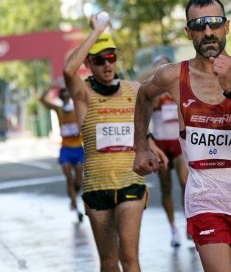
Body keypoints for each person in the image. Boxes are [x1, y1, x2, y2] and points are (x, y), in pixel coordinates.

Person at [133, 0, 231, 271]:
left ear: (227, 27)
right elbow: (143, 95)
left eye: (214, 23)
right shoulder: (173, 76)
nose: (208, 32)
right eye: (199, 25)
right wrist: (141, 146)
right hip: (205, 198)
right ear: (188, 32)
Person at [62, 14, 167, 272]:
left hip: (130, 181)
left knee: (129, 258)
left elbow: (141, 123)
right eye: (100, 60)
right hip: (96, 188)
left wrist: (150, 141)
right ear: (89, 63)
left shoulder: (133, 89)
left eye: (112, 58)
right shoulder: (83, 94)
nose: (108, 65)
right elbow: (67, 69)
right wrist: (97, 31)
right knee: (109, 263)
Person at [140, 55, 189, 247]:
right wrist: (157, 71)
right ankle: (173, 229)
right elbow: (139, 85)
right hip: (160, 144)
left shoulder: (178, 87)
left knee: (186, 183)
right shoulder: (153, 92)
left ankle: (189, 223)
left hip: (178, 143)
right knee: (166, 187)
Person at [40, 86, 84, 222]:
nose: (65, 98)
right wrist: (51, 87)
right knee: (69, 179)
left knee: (78, 181)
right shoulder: (59, 110)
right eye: (63, 96)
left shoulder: (76, 108)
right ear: (61, 98)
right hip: (65, 149)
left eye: (67, 95)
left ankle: (72, 197)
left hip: (78, 149)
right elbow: (41, 99)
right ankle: (75, 206)